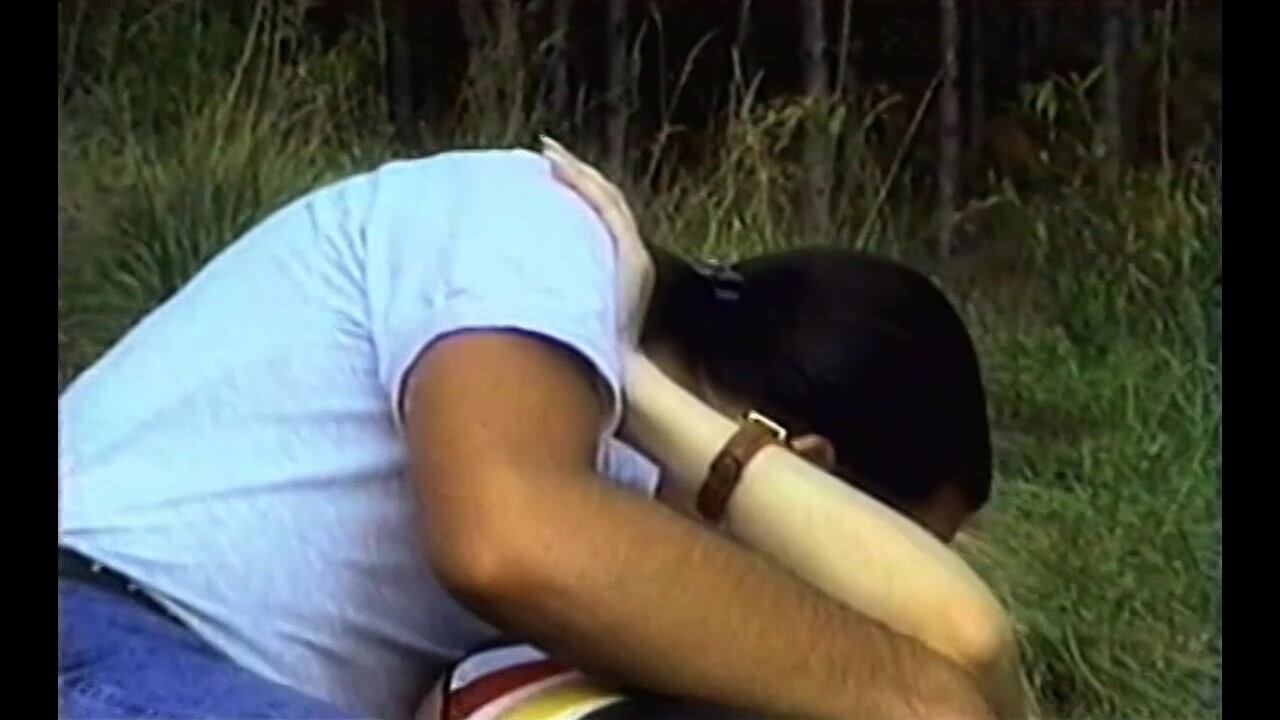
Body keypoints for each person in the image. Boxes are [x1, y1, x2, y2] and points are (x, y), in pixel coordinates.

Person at [58, 142, 999, 720]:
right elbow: (507, 538)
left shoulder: (627, 462)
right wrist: (909, 698)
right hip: (100, 631)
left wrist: (648, 395)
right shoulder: (543, 225)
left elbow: (963, 639)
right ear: (811, 465)